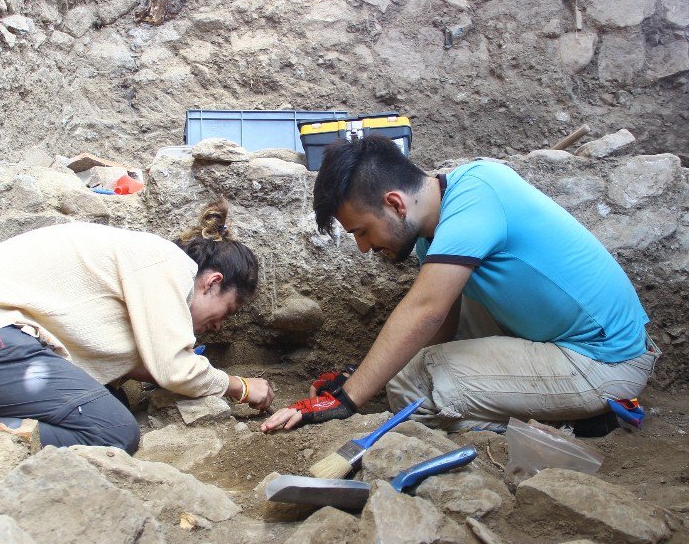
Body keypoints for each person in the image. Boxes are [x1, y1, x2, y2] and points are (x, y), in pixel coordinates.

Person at [261, 136, 660, 435]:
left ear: (396, 204)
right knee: (430, 356)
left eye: (362, 231)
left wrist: (346, 400)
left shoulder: (476, 195)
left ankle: (572, 424)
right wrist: (359, 374)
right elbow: (441, 327)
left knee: (411, 388)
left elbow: (424, 312)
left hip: (603, 361)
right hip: (573, 345)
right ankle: (568, 413)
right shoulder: (432, 233)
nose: (364, 248)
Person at [0, 200, 274, 454]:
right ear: (212, 282)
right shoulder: (170, 267)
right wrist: (240, 388)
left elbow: (117, 356)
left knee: (111, 401)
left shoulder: (143, 268)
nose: (217, 326)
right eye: (228, 309)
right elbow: (175, 368)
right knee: (113, 431)